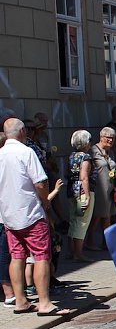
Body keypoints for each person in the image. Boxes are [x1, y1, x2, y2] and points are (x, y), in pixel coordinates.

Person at [0, 118, 69, 316]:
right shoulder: (26, 152)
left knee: (17, 257)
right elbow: (40, 182)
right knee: (41, 257)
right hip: (30, 213)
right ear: (22, 131)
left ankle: (20, 300)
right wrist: (46, 202)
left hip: (9, 215)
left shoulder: (1, 154)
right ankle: (45, 302)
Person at [67, 130, 96, 261]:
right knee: (82, 221)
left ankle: (71, 251)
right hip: (81, 192)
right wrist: (87, 196)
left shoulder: (72, 156)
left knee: (73, 220)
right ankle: (78, 254)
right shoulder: (85, 157)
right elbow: (84, 177)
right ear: (86, 143)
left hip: (71, 190)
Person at [87, 127, 116, 251]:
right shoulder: (93, 150)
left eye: (112, 138)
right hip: (99, 187)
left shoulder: (111, 151)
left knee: (108, 215)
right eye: (108, 137)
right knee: (98, 215)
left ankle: (107, 242)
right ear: (101, 137)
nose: (110, 140)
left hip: (109, 187)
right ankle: (90, 241)